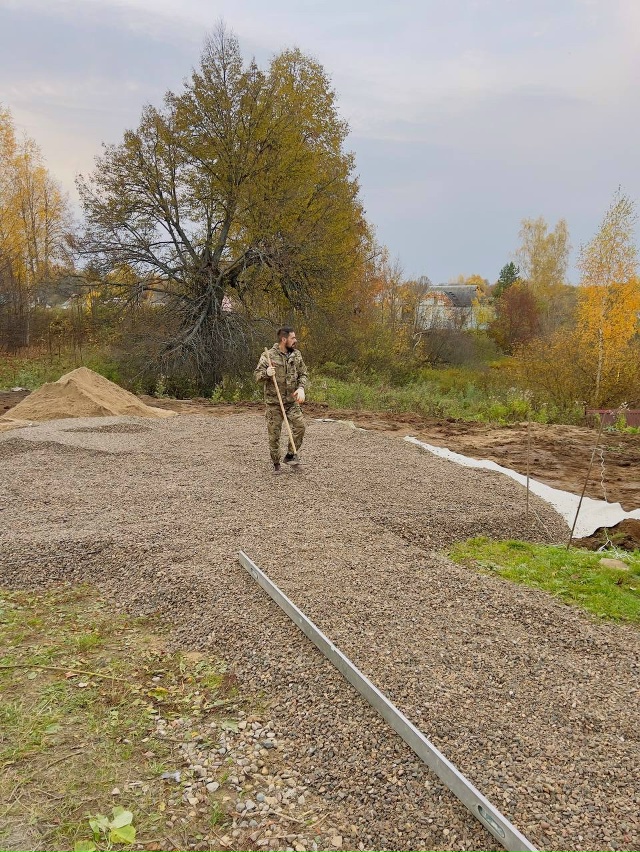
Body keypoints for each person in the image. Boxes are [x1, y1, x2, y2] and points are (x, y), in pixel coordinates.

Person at [254, 326, 308, 473]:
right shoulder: (268, 355)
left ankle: (290, 456)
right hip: (274, 403)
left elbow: (303, 374)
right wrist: (266, 372)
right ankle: (276, 462)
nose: (295, 340)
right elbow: (257, 375)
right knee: (274, 434)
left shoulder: (296, 355)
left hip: (291, 402)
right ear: (284, 339)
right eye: (293, 338)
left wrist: (301, 388)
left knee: (300, 426)